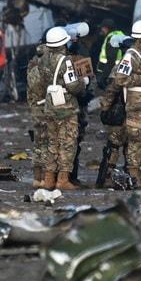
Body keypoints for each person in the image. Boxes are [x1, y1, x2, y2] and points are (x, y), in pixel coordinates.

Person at [26, 25, 88, 190]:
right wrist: (83, 82)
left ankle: (49, 179)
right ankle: (62, 180)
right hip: (65, 106)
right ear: (63, 43)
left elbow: (39, 83)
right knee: (67, 142)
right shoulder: (65, 61)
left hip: (49, 104)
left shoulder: (42, 59)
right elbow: (73, 86)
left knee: (52, 143)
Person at [105, 19, 141, 186]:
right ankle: (134, 176)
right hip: (137, 107)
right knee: (137, 142)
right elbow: (121, 79)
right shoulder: (131, 56)